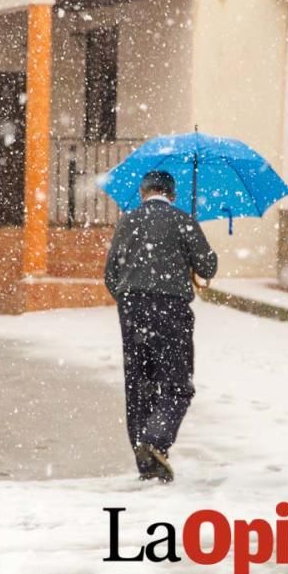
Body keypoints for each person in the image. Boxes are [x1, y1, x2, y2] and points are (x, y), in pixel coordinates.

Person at [104, 170, 218, 483]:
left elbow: (111, 274)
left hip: (132, 310)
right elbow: (208, 267)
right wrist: (193, 243)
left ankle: (146, 458)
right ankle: (155, 440)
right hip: (171, 309)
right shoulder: (183, 220)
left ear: (143, 193)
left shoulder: (127, 221)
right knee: (177, 385)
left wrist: (131, 300)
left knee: (139, 384)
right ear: (172, 194)